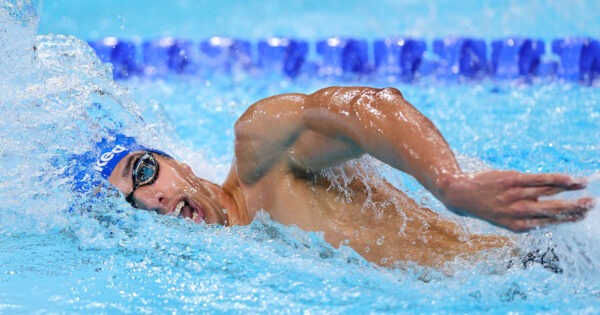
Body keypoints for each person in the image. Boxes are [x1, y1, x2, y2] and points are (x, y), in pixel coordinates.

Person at [93, 86, 594, 270]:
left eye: (143, 171)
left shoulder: (259, 155)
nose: (154, 199)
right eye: (131, 202)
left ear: (174, 160)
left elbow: (369, 108)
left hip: (550, 257)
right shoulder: (239, 258)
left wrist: (451, 185)